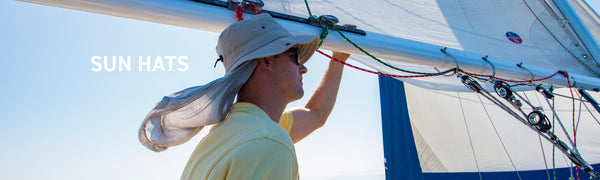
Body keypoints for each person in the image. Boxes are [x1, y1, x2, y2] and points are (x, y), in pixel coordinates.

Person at [138, 14, 350, 180]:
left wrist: (339, 59)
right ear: (267, 61)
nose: (303, 68)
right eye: (295, 56)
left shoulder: (236, 128)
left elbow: (316, 114)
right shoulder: (268, 142)